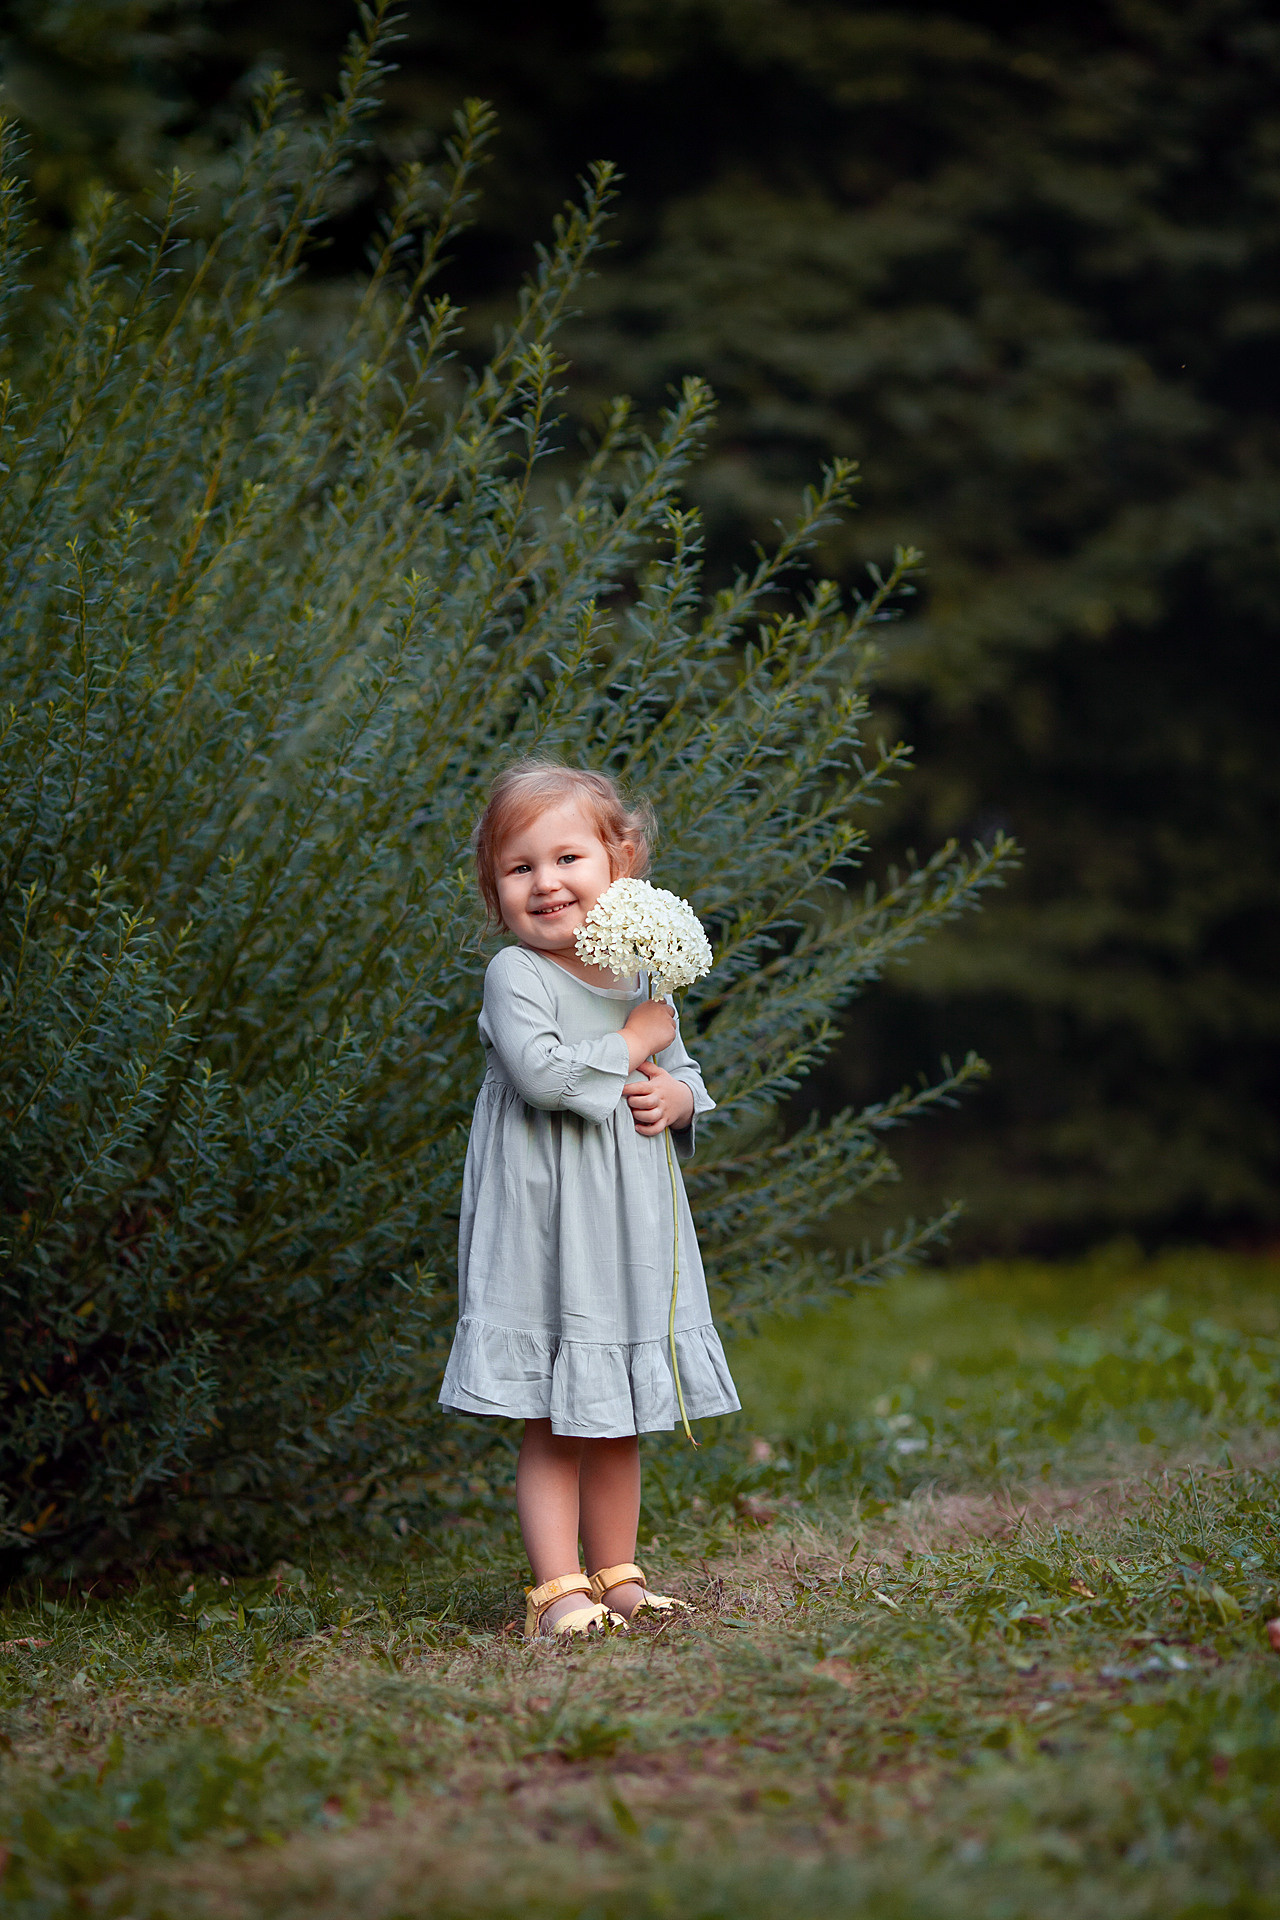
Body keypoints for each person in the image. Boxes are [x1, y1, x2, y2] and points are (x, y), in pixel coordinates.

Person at [439, 761, 740, 1638]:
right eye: (519, 867)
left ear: (621, 864)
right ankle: (557, 1591)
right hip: (546, 1226)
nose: (546, 882)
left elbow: (680, 1071)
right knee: (555, 1413)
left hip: (626, 1227)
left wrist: (678, 1096)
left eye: (567, 858)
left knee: (617, 1415)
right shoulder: (517, 975)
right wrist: (632, 1043)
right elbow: (543, 1077)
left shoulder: (639, 974)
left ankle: (618, 1576)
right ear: (494, 891)